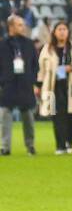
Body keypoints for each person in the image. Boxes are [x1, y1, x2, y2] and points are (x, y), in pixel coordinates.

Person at [38, 19, 72, 154]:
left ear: (68, 32)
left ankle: (69, 141)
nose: (62, 32)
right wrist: (38, 84)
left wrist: (71, 67)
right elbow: (41, 68)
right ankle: (60, 146)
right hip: (53, 86)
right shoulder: (48, 48)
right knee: (57, 116)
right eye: (59, 30)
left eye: (64, 29)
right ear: (54, 32)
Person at [0, 15, 38, 155]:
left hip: (25, 84)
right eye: (20, 25)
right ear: (11, 27)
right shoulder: (2, 44)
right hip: (8, 85)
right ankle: (5, 147)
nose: (23, 27)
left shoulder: (29, 44)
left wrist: (31, 79)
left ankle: (30, 145)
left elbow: (35, 64)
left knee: (28, 117)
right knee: (5, 116)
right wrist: (2, 81)